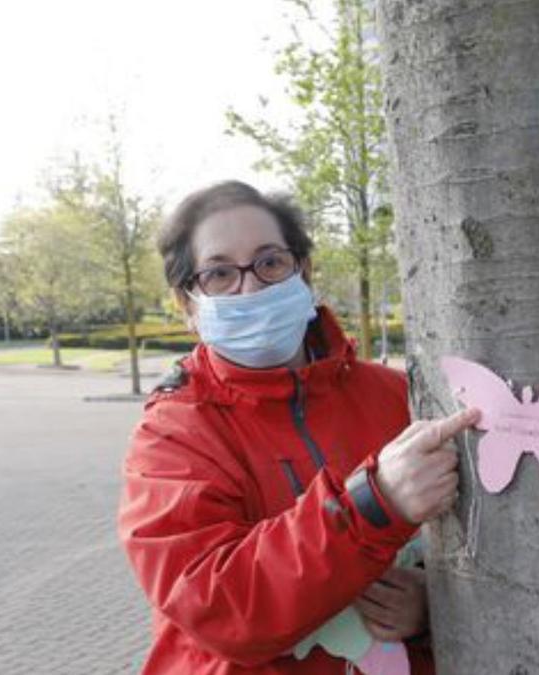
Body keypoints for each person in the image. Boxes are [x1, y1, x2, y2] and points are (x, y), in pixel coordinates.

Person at [117, 181, 477, 674]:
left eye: (270, 262)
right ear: (188, 304)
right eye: (220, 273)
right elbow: (220, 607)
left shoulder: (398, 395)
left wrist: (433, 607)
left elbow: (472, 549)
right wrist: (374, 505)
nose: (251, 286)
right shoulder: (171, 436)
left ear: (303, 272)